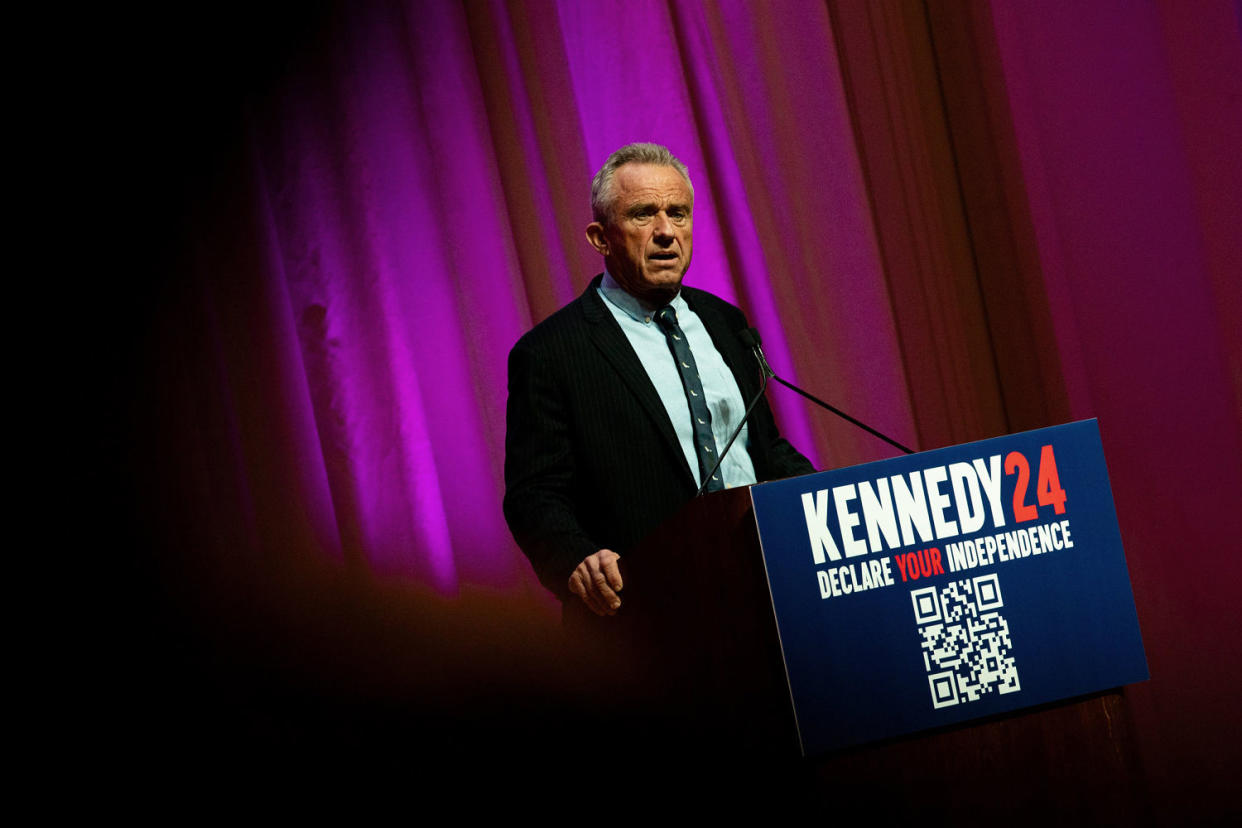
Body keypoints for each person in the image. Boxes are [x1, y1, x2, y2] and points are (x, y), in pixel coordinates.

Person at [503, 143, 813, 619]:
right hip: (648, 611)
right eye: (643, 214)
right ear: (600, 237)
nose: (667, 232)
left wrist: (828, 500)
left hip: (764, 591)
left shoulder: (724, 322)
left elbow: (763, 449)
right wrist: (576, 560)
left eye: (679, 213)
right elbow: (535, 493)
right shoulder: (551, 352)